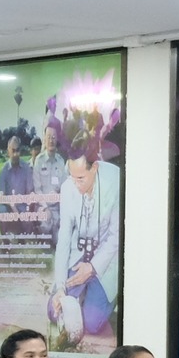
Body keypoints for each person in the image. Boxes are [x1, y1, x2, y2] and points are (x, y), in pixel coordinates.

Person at [50, 130, 121, 338]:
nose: (75, 184)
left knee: (92, 323)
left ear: (95, 167)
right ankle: (76, 297)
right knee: (53, 310)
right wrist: (61, 287)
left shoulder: (116, 182)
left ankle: (103, 298)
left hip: (105, 263)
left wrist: (92, 268)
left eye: (81, 178)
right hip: (78, 257)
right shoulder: (68, 187)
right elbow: (63, 239)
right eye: (72, 177)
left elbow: (116, 237)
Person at [0, 134, 35, 200]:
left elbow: (30, 191)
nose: (15, 154)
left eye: (17, 150)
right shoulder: (3, 170)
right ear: (8, 152)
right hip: (8, 205)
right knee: (1, 208)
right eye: (13, 151)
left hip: (23, 205)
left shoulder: (26, 168)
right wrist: (13, 208)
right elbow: (1, 194)